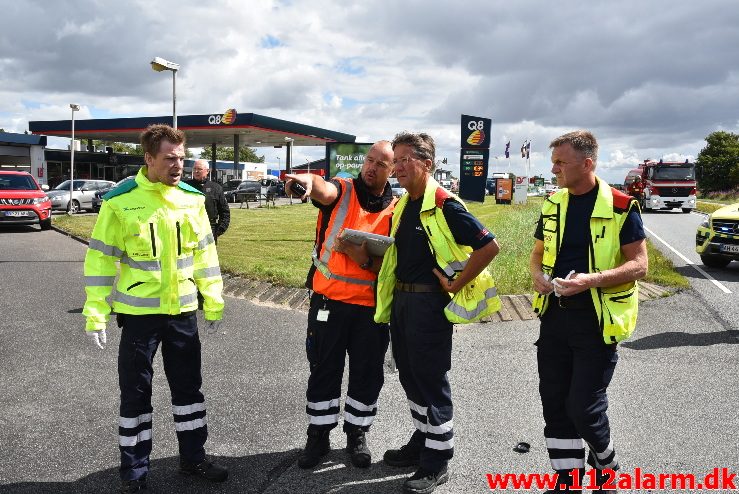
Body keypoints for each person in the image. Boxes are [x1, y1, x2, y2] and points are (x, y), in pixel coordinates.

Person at [82, 124, 228, 493]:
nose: (177, 165)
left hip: (182, 313)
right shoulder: (120, 202)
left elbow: (205, 256)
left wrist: (213, 301)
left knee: (189, 391)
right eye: (169, 158)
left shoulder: (193, 199)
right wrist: (96, 313)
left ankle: (194, 459)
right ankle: (134, 473)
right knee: (135, 394)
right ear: (149, 158)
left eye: (181, 158)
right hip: (139, 318)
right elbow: (100, 262)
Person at [374, 132, 501, 494]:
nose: (396, 167)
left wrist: (457, 283)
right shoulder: (404, 205)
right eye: (394, 160)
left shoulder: (445, 203)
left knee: (430, 379)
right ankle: (423, 439)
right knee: (410, 377)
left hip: (428, 305)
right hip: (402, 302)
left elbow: (489, 246)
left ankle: (438, 460)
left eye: (403, 160)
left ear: (426, 164)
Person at [529, 130, 647, 493]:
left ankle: (606, 471)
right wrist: (537, 276)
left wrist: (591, 280)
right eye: (554, 162)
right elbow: (536, 254)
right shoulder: (553, 203)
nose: (554, 169)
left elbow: (640, 265)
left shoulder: (621, 206)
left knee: (583, 408)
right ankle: (566, 482)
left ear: (588, 163)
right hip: (554, 319)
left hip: (596, 323)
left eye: (561, 162)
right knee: (555, 406)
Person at [283, 141, 395, 470]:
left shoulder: (396, 208)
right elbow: (323, 188)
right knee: (323, 369)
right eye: (369, 160)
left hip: (371, 310)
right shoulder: (343, 190)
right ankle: (318, 436)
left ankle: (357, 434)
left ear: (391, 170)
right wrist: (306, 181)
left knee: (367, 374)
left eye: (381, 163)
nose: (372, 167)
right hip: (328, 303)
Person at [186, 159, 230, 242]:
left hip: (209, 229)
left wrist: (217, 231)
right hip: (189, 230)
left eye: (199, 169)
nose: (196, 171)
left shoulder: (216, 188)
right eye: (194, 169)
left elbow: (225, 212)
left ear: (207, 171)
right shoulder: (185, 186)